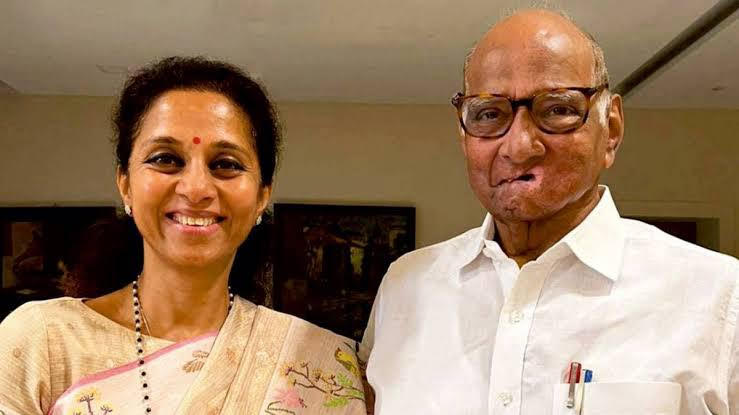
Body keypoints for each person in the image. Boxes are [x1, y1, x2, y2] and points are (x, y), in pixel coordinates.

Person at [361, 9, 738, 415]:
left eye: (557, 109)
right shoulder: (406, 287)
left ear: (611, 129)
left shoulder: (720, 297)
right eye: (489, 114)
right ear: (464, 135)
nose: (519, 146)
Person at [0, 57, 369, 415]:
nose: (196, 188)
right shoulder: (42, 342)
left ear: (262, 196)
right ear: (125, 184)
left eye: (225, 164)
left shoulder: (319, 367)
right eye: (165, 159)